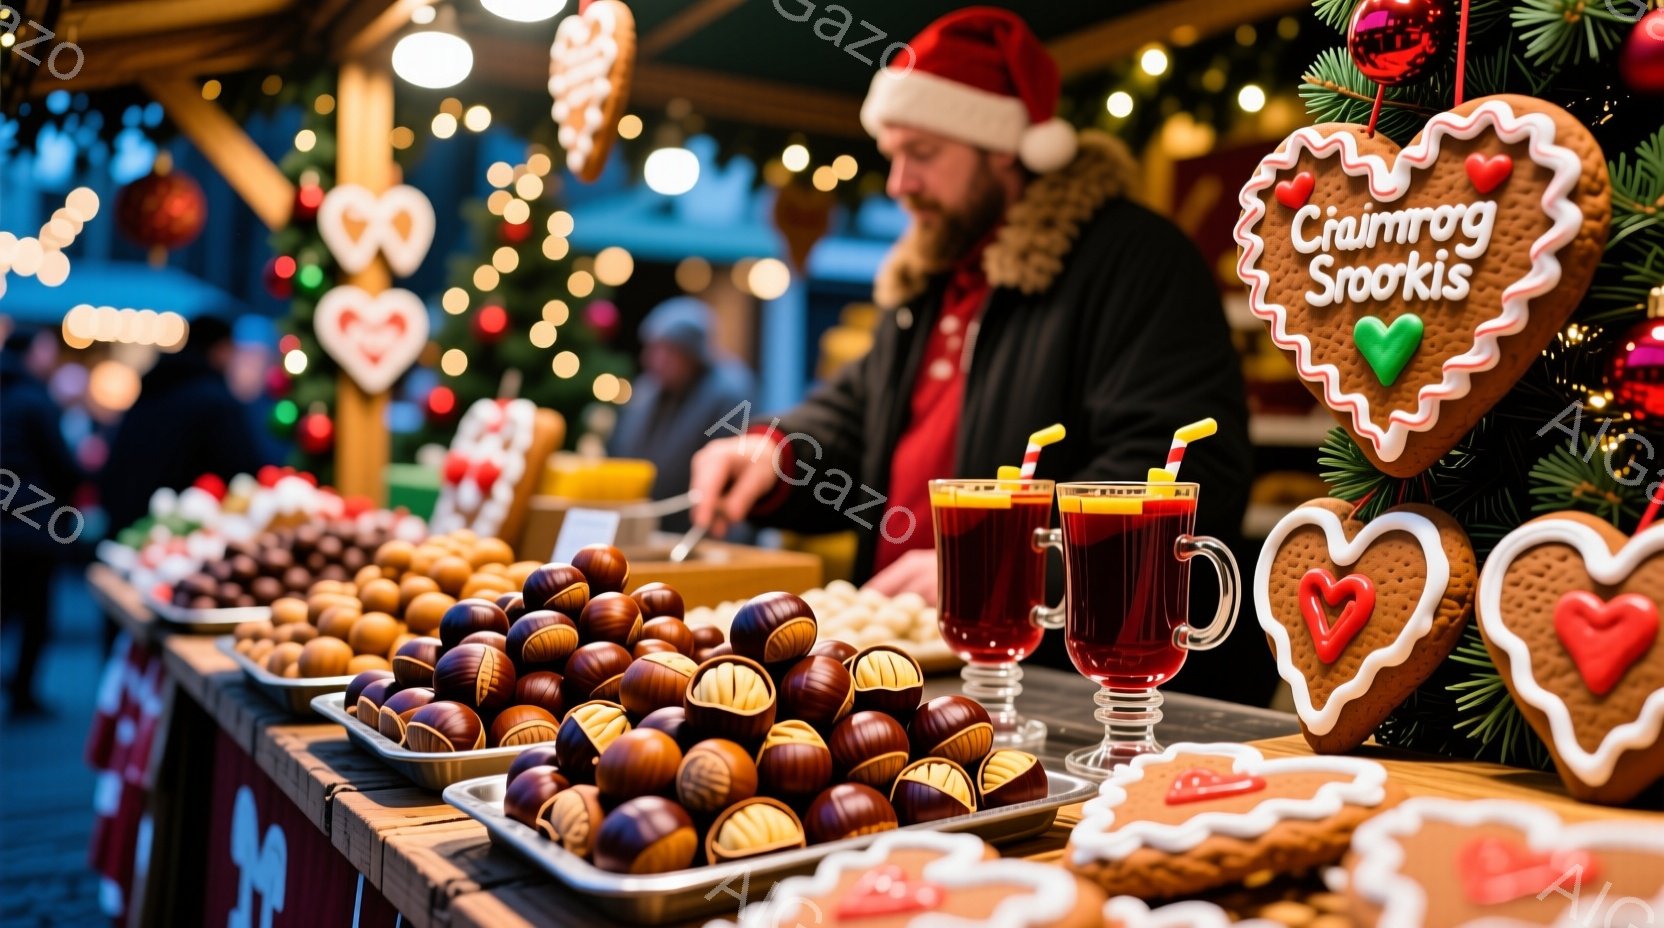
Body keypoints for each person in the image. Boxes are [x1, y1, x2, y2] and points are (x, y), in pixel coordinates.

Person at [690, 8, 1271, 703]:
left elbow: (1180, 462)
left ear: (1002, 146)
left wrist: (1001, 567)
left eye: (924, 154)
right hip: (920, 669)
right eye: (893, 154)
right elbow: (860, 413)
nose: (899, 183)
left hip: (1078, 684)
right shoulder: (931, 278)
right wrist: (774, 452)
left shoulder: (1134, 259)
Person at [99, 314, 268, 534]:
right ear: (221, 349)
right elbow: (244, 472)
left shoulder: (153, 390)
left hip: (127, 530)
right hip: (182, 537)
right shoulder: (215, 401)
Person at [609, 297, 754, 531]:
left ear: (693, 353)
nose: (655, 360)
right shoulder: (648, 391)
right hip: (647, 526)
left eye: (668, 350)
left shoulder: (730, 392)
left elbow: (732, 473)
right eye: (652, 348)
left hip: (703, 529)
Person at [1, 325, 83, 716]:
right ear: (32, 353)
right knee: (35, 615)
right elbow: (62, 464)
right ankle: (23, 693)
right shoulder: (35, 400)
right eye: (47, 350)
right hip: (31, 521)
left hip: (14, 518)